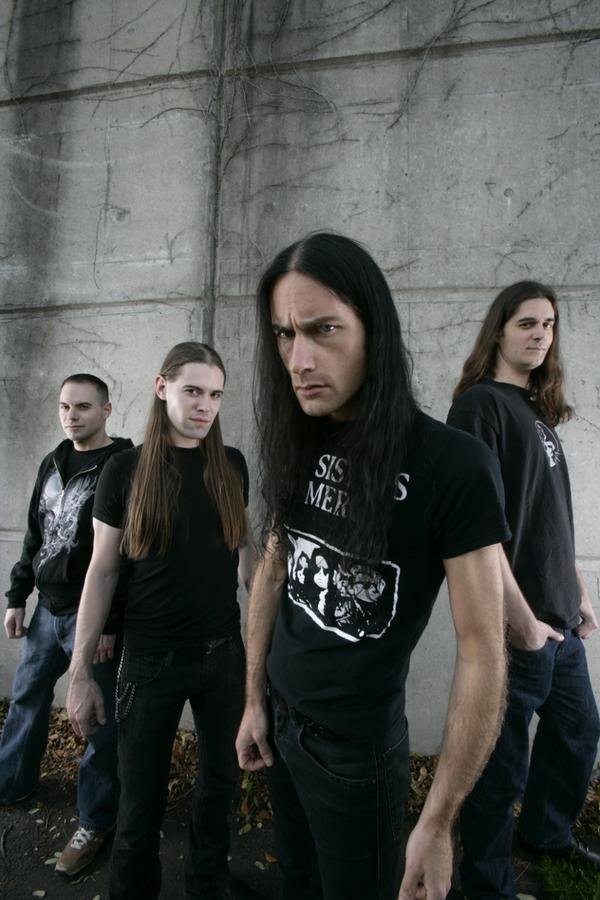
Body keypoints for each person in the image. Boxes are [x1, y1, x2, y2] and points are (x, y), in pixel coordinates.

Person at [235, 232, 511, 900]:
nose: (299, 360)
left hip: (354, 756)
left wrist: (438, 821)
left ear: (374, 331)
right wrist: (252, 699)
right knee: (297, 880)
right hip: (281, 723)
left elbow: (483, 649)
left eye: (323, 329)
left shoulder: (453, 465)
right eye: (284, 334)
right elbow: (273, 568)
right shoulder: (299, 435)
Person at [67, 342, 258, 900]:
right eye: (192, 390)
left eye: (215, 395)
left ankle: (207, 884)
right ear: (161, 387)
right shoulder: (125, 470)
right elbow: (102, 572)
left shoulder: (231, 464)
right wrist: (80, 671)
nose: (204, 405)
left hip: (224, 655)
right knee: (139, 800)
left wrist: (269, 630)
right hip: (150, 660)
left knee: (220, 785)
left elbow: (245, 552)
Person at [447, 281, 600, 898]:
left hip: (560, 625)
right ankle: (485, 885)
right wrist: (523, 623)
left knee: (578, 735)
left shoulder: (535, 412)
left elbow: (550, 518)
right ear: (500, 331)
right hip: (517, 631)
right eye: (527, 323)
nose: (541, 335)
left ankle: (543, 834)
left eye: (549, 324)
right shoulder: (480, 408)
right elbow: (476, 529)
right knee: (498, 770)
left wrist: (579, 592)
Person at [0, 374, 131, 876]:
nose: (71, 416)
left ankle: (95, 819)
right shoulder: (53, 461)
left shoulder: (122, 465)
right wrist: (17, 596)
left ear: (106, 410)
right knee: (26, 697)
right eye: (64, 407)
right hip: (46, 610)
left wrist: (110, 623)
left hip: (91, 616)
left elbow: (127, 555)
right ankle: (12, 783)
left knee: (97, 721)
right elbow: (35, 534)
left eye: (82, 407)